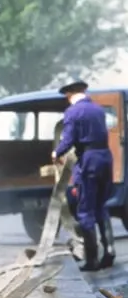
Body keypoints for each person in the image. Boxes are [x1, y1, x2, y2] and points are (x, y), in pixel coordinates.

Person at [52, 80, 115, 271]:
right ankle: (109, 251)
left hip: (88, 161)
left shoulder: (73, 112)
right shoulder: (98, 110)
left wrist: (57, 153)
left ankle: (92, 259)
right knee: (101, 205)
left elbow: (69, 139)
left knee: (85, 210)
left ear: (69, 94)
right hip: (105, 158)